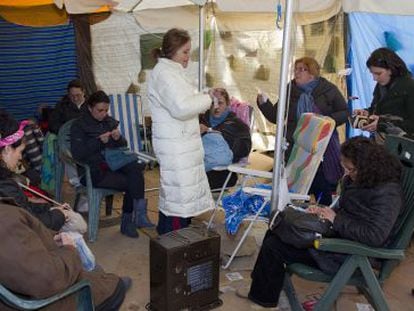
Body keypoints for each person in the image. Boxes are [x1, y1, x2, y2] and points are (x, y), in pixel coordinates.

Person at [242, 137, 403, 308]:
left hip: (355, 253)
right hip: (343, 238)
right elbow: (351, 212)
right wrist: (324, 211)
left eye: (350, 169)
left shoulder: (388, 193)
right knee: (277, 228)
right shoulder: (363, 179)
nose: (346, 173)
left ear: (367, 167)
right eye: (344, 167)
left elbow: (375, 236)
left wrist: (336, 219)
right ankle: (262, 289)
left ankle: (263, 298)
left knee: (276, 245)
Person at [0, 203, 130, 310]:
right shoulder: (5, 220)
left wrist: (50, 237)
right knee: (115, 288)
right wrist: (69, 249)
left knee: (96, 272)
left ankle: (99, 278)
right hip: (40, 300)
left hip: (29, 280)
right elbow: (46, 280)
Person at [147, 28, 215, 234]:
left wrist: (202, 95)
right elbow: (181, 108)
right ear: (172, 51)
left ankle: (171, 242)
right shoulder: (165, 74)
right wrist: (208, 99)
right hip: (176, 146)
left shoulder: (172, 72)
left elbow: (183, 102)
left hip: (181, 143)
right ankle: (173, 244)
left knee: (178, 197)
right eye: (185, 52)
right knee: (179, 200)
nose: (188, 57)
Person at [257, 57, 349, 205]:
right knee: (297, 184)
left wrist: (323, 122)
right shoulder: (290, 89)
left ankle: (322, 213)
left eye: (302, 69)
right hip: (296, 146)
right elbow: (276, 117)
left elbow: (344, 112)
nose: (297, 72)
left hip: (321, 145)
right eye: (296, 69)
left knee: (320, 183)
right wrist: (263, 103)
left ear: (312, 73)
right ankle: (299, 215)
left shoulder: (328, 89)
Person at [70, 90, 153, 239]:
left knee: (135, 168)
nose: (103, 114)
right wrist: (98, 142)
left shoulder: (109, 121)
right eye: (99, 110)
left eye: (106, 110)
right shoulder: (79, 125)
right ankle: (131, 220)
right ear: (90, 108)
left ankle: (136, 217)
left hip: (113, 164)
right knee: (134, 180)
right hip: (94, 171)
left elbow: (123, 146)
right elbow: (78, 154)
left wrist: (118, 137)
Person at [0, 110, 82, 233]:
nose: (20, 157)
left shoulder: (6, 181)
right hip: (20, 241)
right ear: (7, 149)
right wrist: (61, 215)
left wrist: (49, 208)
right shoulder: (5, 186)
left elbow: (25, 208)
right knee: (77, 229)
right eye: (20, 151)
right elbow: (30, 222)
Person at [353, 47, 414, 138]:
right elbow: (378, 109)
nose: (374, 78)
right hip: (381, 143)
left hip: (402, 147)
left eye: (378, 73)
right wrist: (366, 113)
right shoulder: (381, 86)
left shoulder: (410, 87)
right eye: (372, 73)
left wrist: (382, 124)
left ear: (391, 69)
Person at [199, 87, 252, 189]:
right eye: (212, 103)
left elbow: (245, 148)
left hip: (223, 172)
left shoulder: (237, 124)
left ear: (228, 104)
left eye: (220, 103)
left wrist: (210, 132)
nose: (216, 107)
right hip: (198, 166)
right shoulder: (201, 120)